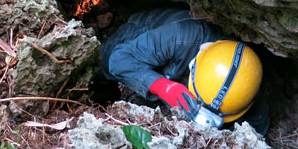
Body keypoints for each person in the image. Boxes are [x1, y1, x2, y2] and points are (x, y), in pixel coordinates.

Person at [100, 8, 270, 135]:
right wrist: (163, 87)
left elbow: (256, 136)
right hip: (144, 33)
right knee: (106, 62)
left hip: (181, 66)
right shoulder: (180, 38)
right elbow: (119, 60)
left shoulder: (247, 88)